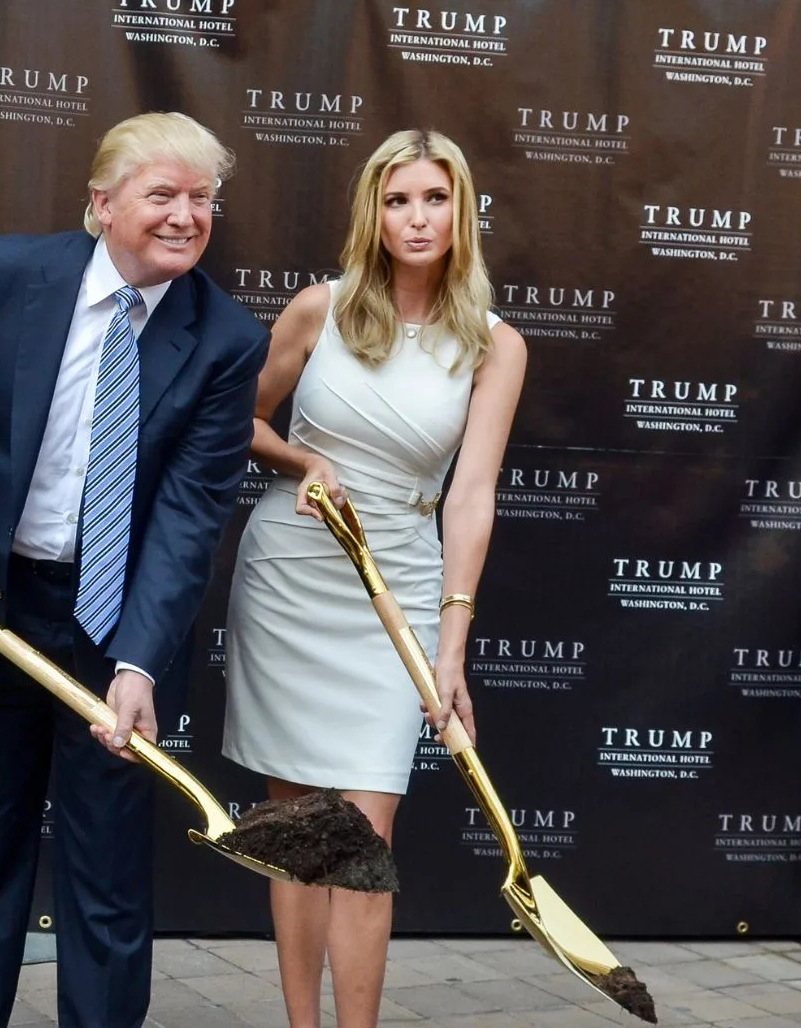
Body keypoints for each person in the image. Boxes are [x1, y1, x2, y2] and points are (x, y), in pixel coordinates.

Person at [0, 112, 268, 1028]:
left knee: (106, 880)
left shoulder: (227, 341)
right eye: (164, 195)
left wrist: (138, 663)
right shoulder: (6, 274)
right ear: (102, 205)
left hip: (117, 633)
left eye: (203, 199)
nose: (187, 216)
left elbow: (188, 519)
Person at [220, 129, 527, 1028]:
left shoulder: (493, 345)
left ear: (461, 210)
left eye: (435, 198)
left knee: (363, 840)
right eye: (398, 200)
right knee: (298, 833)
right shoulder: (321, 309)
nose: (417, 217)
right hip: (291, 575)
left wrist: (451, 643)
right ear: (373, 211)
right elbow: (243, 419)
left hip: (395, 585)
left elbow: (470, 498)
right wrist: (304, 461)